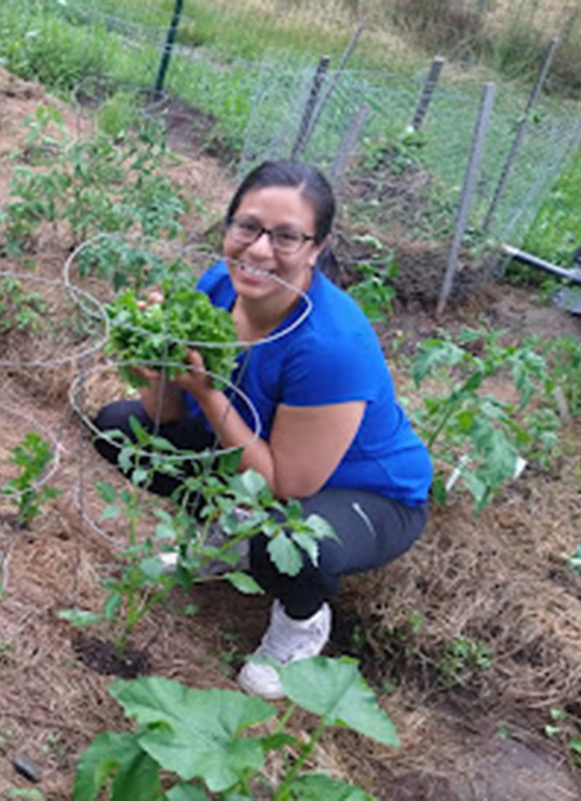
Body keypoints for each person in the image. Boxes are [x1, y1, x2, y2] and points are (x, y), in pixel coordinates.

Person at [91, 160, 432, 699]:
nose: (257, 250)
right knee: (121, 431)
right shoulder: (217, 287)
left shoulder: (329, 344)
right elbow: (167, 418)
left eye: (286, 237)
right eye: (246, 227)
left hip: (364, 492)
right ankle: (229, 538)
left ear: (316, 248)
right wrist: (151, 356)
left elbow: (288, 484)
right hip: (256, 459)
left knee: (297, 539)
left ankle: (301, 624)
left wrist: (206, 392)